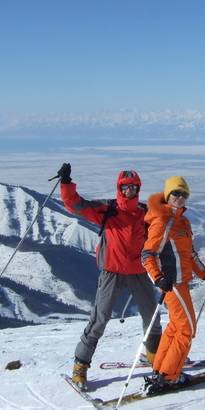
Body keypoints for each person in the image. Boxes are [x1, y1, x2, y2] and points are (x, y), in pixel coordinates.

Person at [57, 163, 162, 391]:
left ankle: (155, 356)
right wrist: (66, 183)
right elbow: (75, 204)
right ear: (119, 188)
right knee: (100, 319)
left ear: (138, 189)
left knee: (152, 316)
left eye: (133, 187)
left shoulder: (145, 214)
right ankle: (81, 365)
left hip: (138, 272)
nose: (129, 191)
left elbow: (165, 226)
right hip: (111, 272)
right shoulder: (107, 209)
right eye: (125, 188)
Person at [140, 175, 205, 394]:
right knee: (187, 329)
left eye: (184, 193)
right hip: (171, 283)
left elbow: (189, 253)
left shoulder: (182, 221)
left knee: (176, 327)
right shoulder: (163, 220)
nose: (180, 197)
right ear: (167, 195)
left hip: (180, 282)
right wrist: (158, 277)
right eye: (176, 193)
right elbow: (148, 254)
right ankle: (170, 377)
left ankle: (160, 370)